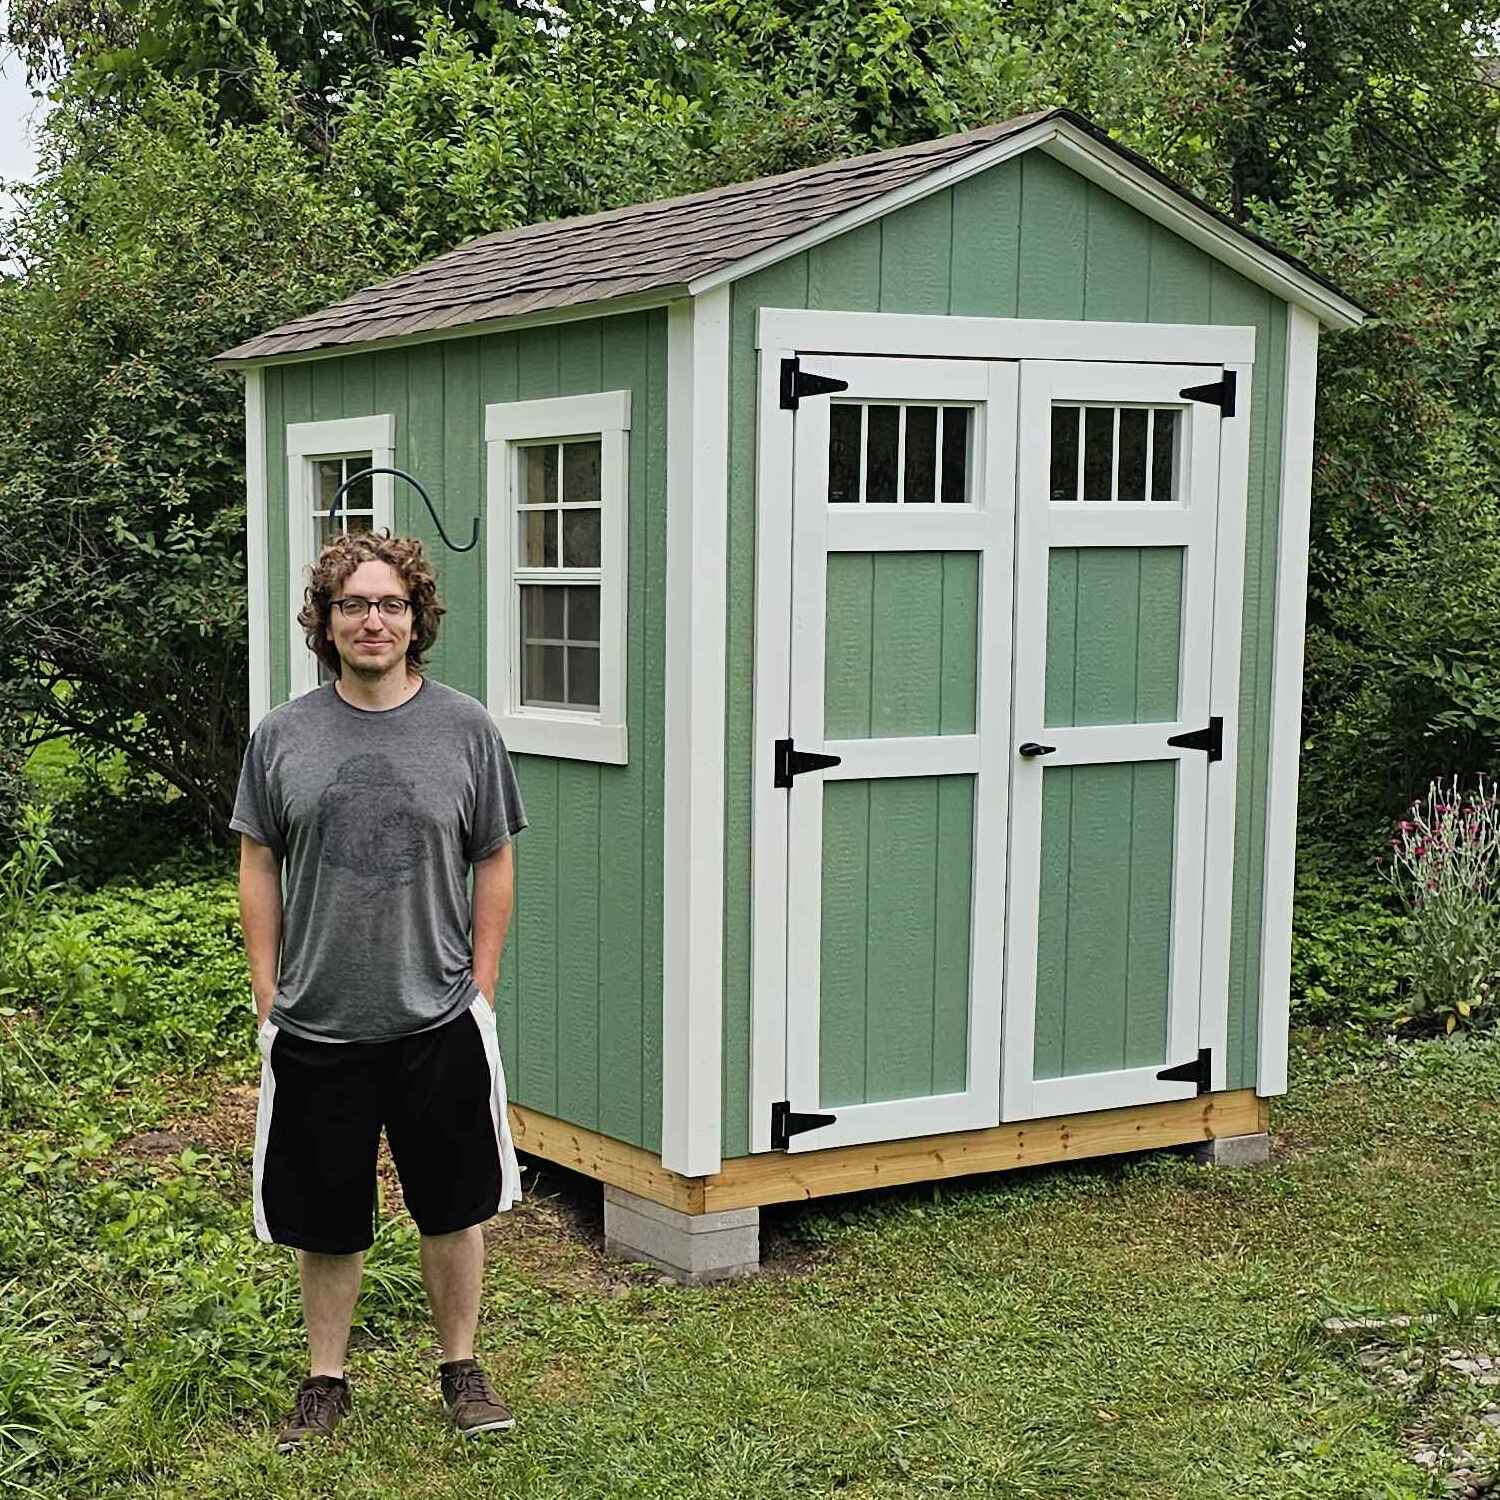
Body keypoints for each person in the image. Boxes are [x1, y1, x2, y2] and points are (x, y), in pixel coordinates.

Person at [230, 530, 528, 1453]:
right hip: (319, 1022)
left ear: (417, 618)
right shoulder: (283, 735)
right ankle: (326, 1380)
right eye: (353, 604)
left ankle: (461, 1371)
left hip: (436, 1015)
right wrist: (268, 990)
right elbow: (257, 861)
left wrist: (479, 986)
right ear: (325, 622)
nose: (373, 620)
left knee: (455, 1206)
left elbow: (496, 858)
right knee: (328, 1220)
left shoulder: (466, 728)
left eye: (390, 604)